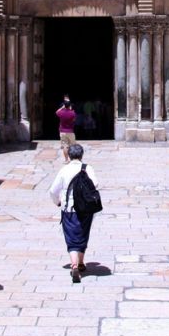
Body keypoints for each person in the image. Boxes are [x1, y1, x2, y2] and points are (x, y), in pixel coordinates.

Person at [48, 144, 99, 283]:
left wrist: (58, 202)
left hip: (69, 209)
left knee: (71, 237)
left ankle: (74, 264)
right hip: (86, 209)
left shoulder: (64, 170)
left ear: (69, 156)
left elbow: (53, 191)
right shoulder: (88, 168)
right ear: (82, 155)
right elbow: (95, 184)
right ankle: (81, 262)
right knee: (83, 234)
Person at [56, 95, 77, 163]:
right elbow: (74, 120)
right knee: (73, 146)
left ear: (64, 105)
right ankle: (73, 159)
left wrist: (62, 108)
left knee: (65, 146)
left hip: (62, 131)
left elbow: (56, 112)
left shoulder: (61, 112)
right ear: (70, 105)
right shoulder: (73, 113)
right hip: (70, 131)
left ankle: (66, 160)